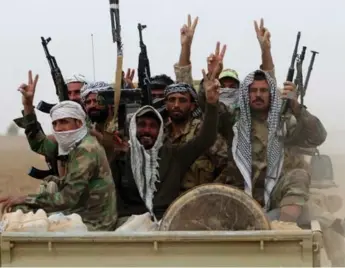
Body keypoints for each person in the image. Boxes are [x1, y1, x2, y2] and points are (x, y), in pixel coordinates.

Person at [199, 68, 327, 223]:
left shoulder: (285, 121)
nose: (258, 95)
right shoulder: (233, 119)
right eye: (253, 90)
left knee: (298, 175)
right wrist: (209, 94)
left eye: (263, 90)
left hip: (275, 192)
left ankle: (282, 230)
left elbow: (317, 137)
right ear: (246, 94)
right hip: (240, 189)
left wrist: (296, 106)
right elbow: (209, 113)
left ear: (271, 93)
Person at [0, 71, 118, 231]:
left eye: (64, 122)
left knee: (23, 215)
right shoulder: (72, 141)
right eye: (55, 124)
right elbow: (40, 144)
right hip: (81, 208)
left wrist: (24, 198)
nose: (59, 128)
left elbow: (68, 198)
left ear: (78, 123)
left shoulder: (87, 146)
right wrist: (28, 106)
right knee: (23, 209)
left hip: (93, 219)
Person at [113, 70, 220, 227]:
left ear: (161, 130)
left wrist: (211, 104)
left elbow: (207, 138)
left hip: (167, 223)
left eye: (152, 126)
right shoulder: (122, 158)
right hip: (129, 225)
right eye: (141, 125)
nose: (146, 131)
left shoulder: (174, 155)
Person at [163, 83, 228, 192]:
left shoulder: (202, 131)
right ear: (166, 104)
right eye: (172, 100)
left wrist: (211, 193)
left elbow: (227, 166)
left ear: (192, 105)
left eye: (182, 100)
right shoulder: (160, 135)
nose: (176, 105)